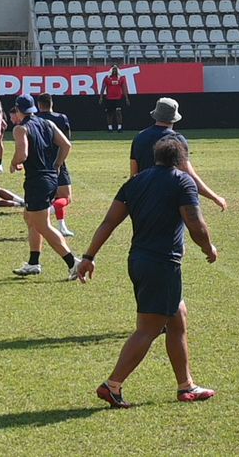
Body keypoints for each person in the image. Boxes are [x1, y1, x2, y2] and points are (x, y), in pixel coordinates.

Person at [77, 138, 218, 408]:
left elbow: (109, 221)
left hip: (139, 260)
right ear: (181, 159)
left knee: (178, 318)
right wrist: (208, 247)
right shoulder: (182, 182)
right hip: (162, 264)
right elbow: (195, 223)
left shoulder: (136, 182)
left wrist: (88, 256)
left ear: (156, 157)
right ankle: (112, 385)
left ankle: (186, 386)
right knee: (148, 330)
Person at [8, 94, 80, 279]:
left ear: (18, 110)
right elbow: (66, 145)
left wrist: (13, 162)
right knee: (30, 219)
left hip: (36, 181)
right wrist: (56, 165)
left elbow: (22, 155)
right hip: (50, 179)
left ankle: (74, 263)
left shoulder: (20, 129)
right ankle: (34, 262)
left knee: (42, 224)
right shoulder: (47, 123)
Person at [130, 97, 226, 211]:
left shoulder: (139, 137)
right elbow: (189, 175)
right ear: (174, 118)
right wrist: (214, 197)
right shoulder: (176, 139)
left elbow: (134, 175)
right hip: (169, 200)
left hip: (145, 200)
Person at [36, 93, 75, 238]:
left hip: (40, 163)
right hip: (57, 161)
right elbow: (67, 140)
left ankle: (62, 226)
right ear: (51, 103)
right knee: (66, 197)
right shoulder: (61, 118)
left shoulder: (35, 119)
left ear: (39, 105)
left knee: (53, 196)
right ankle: (50, 210)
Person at [99, 65, 130, 132]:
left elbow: (124, 88)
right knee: (109, 113)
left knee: (118, 112)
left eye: (116, 70)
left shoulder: (121, 78)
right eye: (113, 69)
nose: (114, 71)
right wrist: (101, 97)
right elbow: (103, 87)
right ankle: (110, 128)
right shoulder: (107, 78)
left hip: (118, 98)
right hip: (109, 98)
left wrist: (126, 98)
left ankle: (119, 128)